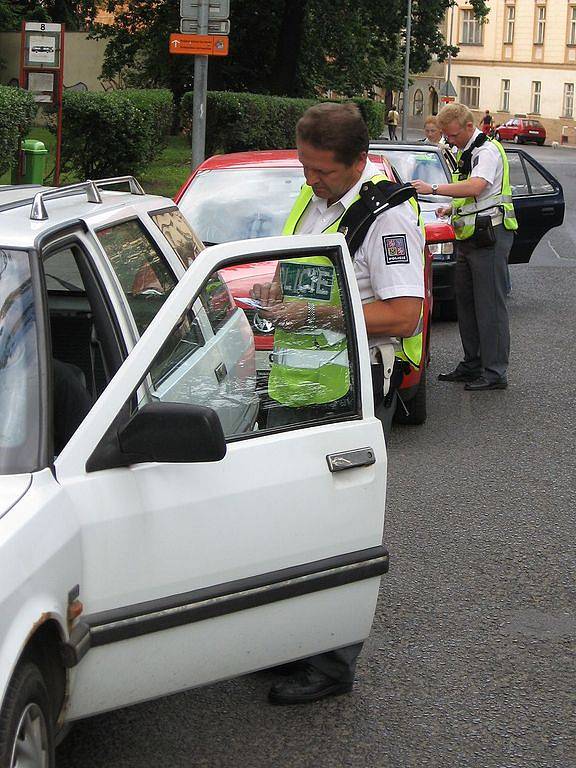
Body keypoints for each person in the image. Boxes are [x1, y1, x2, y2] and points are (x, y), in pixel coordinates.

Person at [252, 102, 425, 706]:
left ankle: (329, 662)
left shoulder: (388, 215)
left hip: (346, 391)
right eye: (304, 166)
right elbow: (314, 272)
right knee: (286, 519)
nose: (309, 180)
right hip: (299, 382)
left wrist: (313, 312)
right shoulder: (320, 201)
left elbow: (404, 315)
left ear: (358, 162)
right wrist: (282, 291)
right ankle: (292, 641)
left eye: (321, 171)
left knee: (330, 527)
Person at [412, 102, 518, 391]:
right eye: (446, 135)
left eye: (453, 135)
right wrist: (451, 208)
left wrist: (433, 189)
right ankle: (473, 364)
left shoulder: (486, 151)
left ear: (469, 127)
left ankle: (495, 373)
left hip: (490, 237)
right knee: (468, 305)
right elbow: (470, 197)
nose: (450, 140)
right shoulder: (467, 151)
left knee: (490, 307)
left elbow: (475, 187)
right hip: (471, 237)